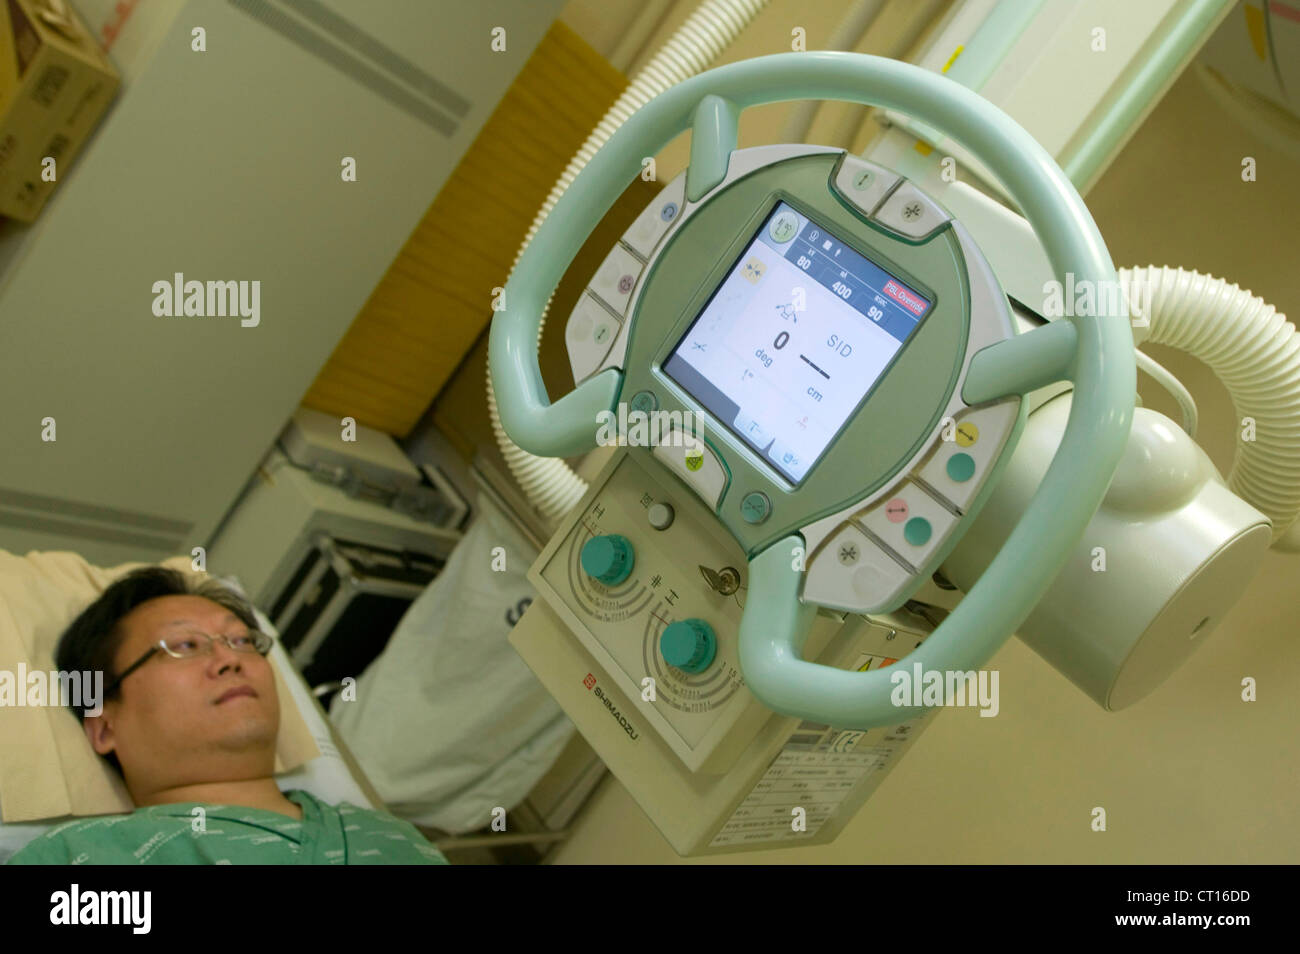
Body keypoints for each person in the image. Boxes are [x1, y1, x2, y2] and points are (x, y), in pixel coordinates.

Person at [7, 567, 448, 865]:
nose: (229, 659)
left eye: (241, 642)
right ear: (104, 725)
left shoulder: (391, 839)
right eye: (183, 646)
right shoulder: (86, 859)